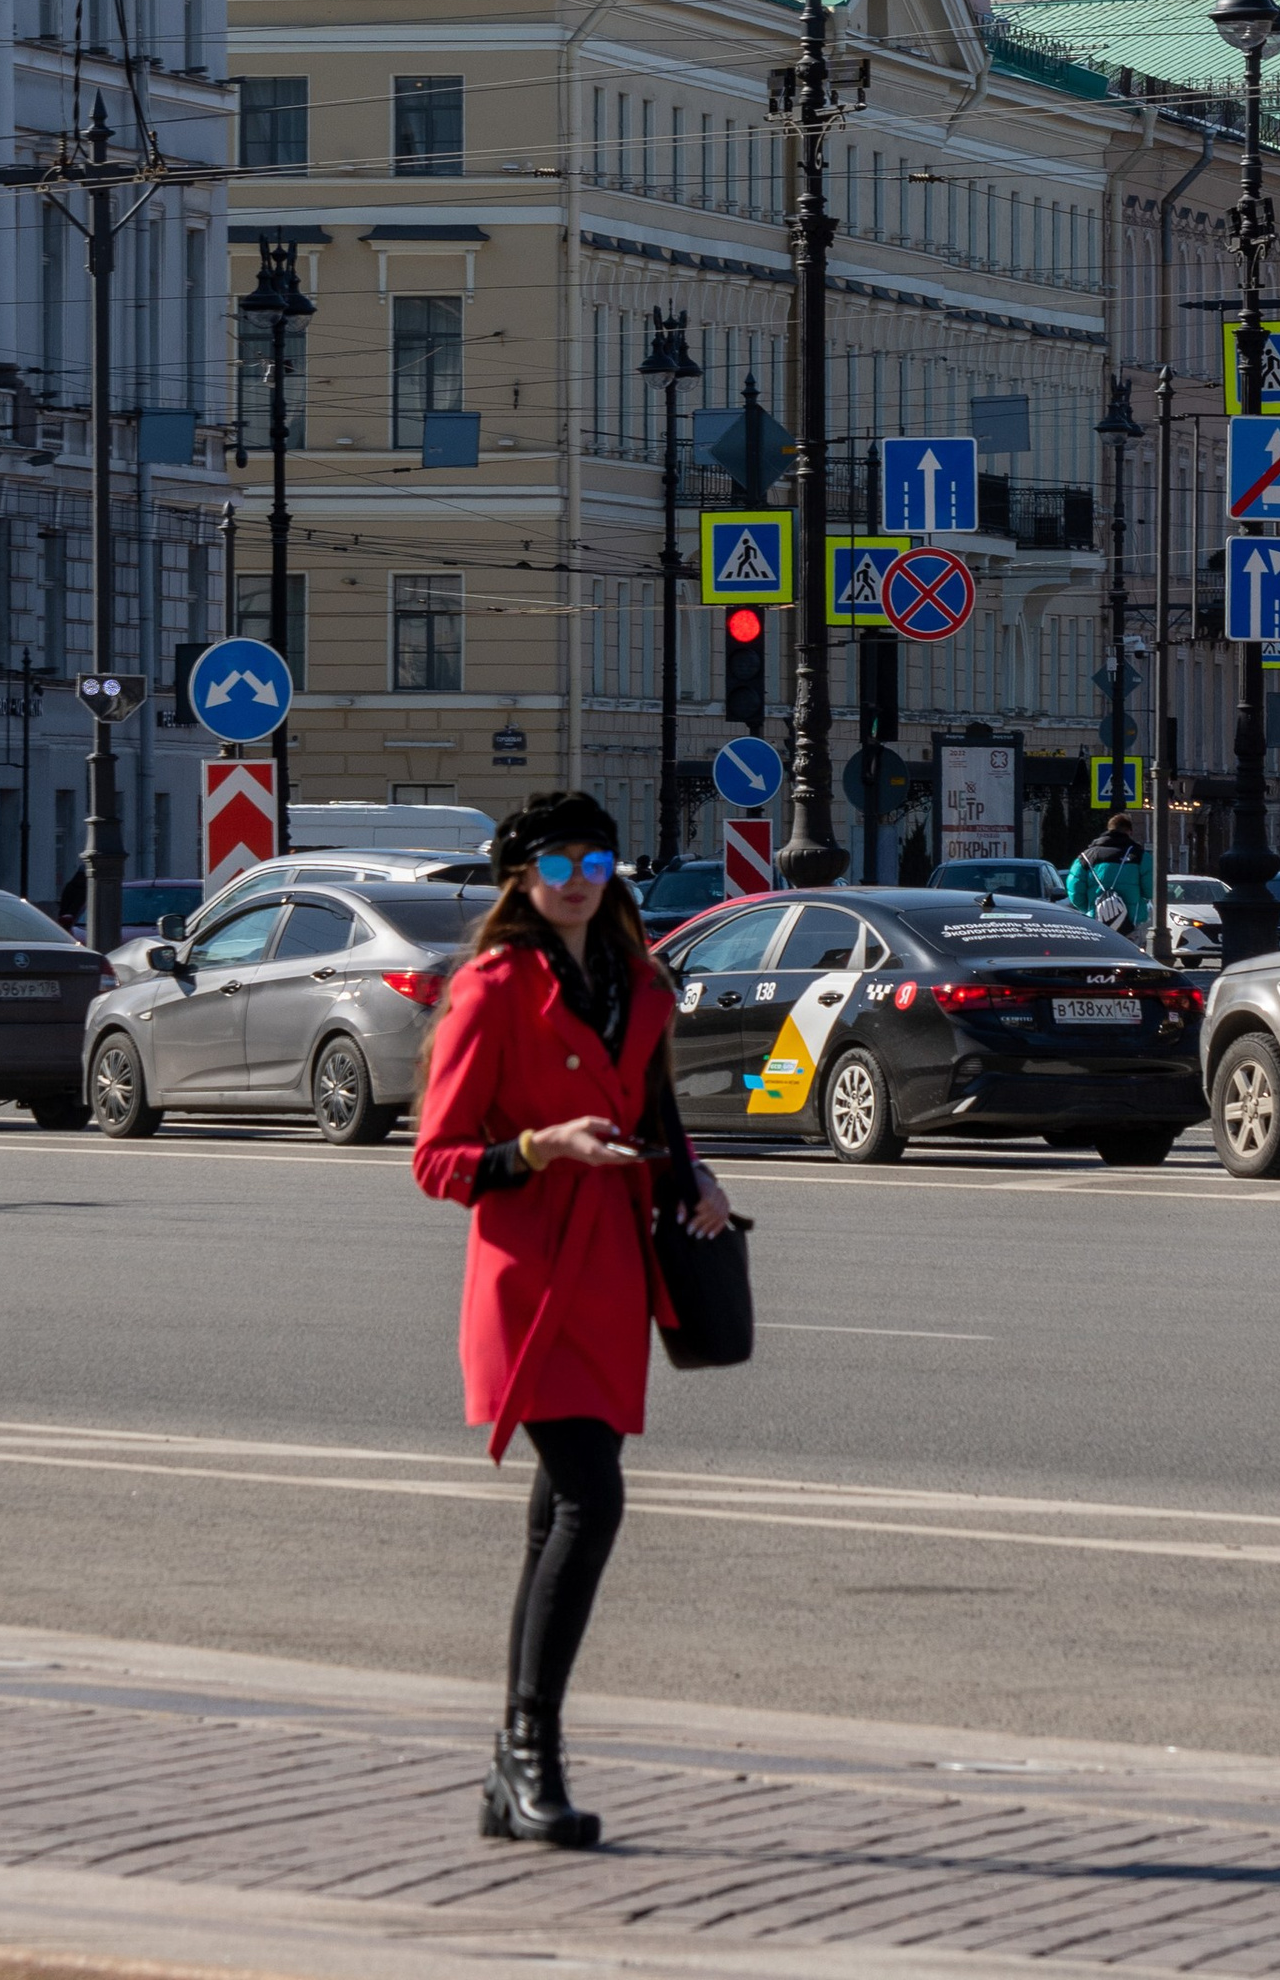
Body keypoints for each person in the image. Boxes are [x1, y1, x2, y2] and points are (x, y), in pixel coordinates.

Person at [414, 789, 733, 1850]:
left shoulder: (639, 983)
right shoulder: (491, 989)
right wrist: (539, 1148)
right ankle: (527, 1753)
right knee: (592, 1503)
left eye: (595, 860)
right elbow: (439, 1161)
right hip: (525, 1280)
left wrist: (696, 1183)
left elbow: (656, 1116)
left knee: (560, 1516)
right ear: (520, 877)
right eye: (556, 863)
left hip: (611, 1271)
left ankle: (512, 1779)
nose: (577, 880)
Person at [1067, 813, 1148, 935]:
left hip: (1097, 923)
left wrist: (1092, 909)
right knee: (1131, 952)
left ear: (1109, 829)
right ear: (1130, 832)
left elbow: (1075, 892)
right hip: (1132, 922)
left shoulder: (1086, 857)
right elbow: (1151, 890)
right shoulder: (1140, 856)